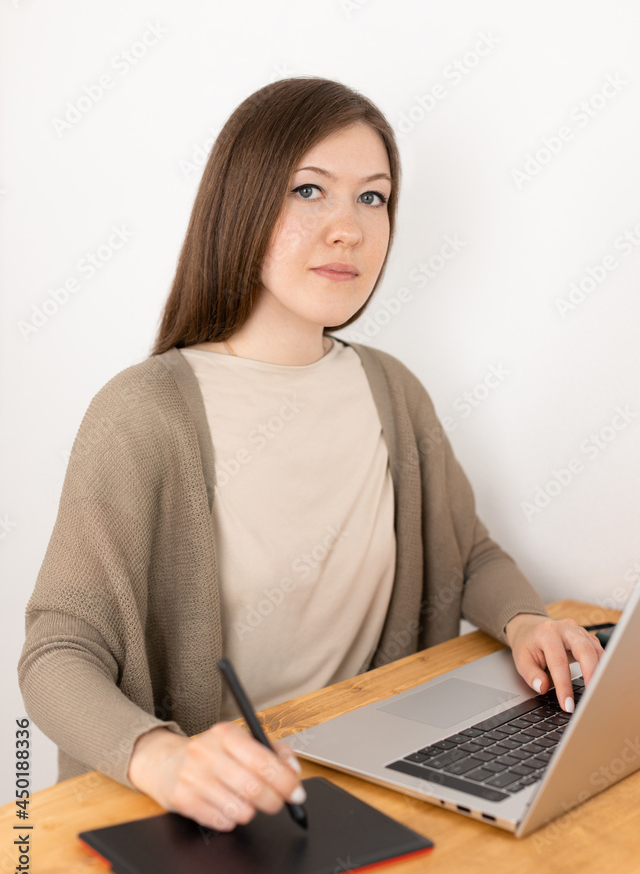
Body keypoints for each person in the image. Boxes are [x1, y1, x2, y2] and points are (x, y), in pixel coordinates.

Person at [19, 76, 604, 834]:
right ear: (241, 205)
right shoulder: (144, 413)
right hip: (214, 817)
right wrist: (165, 760)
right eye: (308, 191)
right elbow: (57, 654)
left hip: (371, 794)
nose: (347, 229)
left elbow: (467, 554)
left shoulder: (392, 390)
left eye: (372, 198)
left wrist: (526, 621)